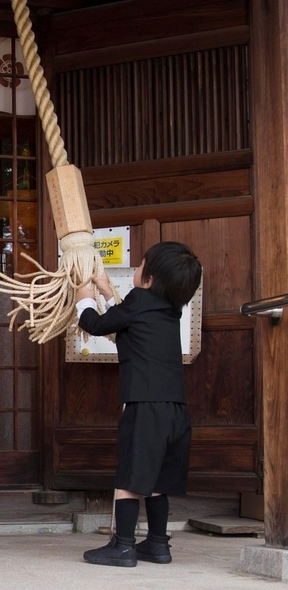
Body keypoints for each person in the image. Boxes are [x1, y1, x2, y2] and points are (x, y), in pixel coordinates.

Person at [76, 241, 202, 568]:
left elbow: (98, 325)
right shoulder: (169, 310)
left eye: (140, 264)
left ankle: (123, 546)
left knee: (129, 479)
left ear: (148, 278)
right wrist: (107, 290)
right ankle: (158, 545)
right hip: (175, 410)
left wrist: (84, 300)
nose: (136, 269)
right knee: (158, 482)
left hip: (144, 407)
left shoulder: (139, 301)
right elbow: (127, 322)